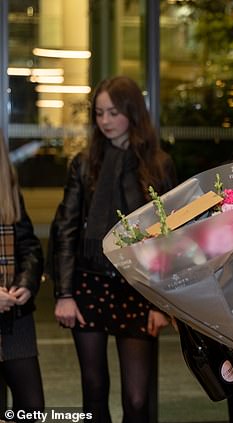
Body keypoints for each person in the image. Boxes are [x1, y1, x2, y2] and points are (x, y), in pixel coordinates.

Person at [49, 76, 177, 422]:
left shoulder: (158, 164)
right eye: (99, 113)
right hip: (88, 283)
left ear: (132, 114)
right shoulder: (83, 163)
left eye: (113, 112)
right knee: (93, 391)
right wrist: (64, 293)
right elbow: (66, 229)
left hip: (136, 288)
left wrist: (161, 304)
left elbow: (167, 240)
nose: (105, 121)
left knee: (137, 400)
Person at [0, 133, 45, 420]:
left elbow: (30, 246)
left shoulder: (9, 191)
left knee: (32, 409)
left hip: (15, 319)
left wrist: (26, 284)